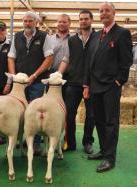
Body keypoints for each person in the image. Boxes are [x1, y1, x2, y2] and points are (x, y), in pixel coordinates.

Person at [83, 2, 133, 172]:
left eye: (107, 10)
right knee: (100, 120)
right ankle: (104, 150)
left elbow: (126, 61)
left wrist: (119, 81)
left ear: (114, 13)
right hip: (95, 86)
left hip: (111, 86)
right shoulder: (97, 36)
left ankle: (110, 158)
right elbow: (90, 62)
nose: (103, 13)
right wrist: (87, 84)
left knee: (111, 122)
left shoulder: (122, 33)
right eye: (101, 11)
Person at [8, 11, 54, 155]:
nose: (27, 24)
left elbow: (49, 58)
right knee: (18, 110)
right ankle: (20, 138)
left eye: (30, 21)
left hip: (37, 81)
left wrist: (34, 75)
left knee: (35, 111)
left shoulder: (44, 37)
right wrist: (15, 77)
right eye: (25, 21)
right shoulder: (17, 37)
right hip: (20, 82)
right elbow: (11, 57)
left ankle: (35, 143)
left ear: (36, 23)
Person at [58, 10, 96, 154]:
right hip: (73, 82)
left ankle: (87, 142)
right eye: (81, 19)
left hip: (91, 83)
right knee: (69, 113)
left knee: (91, 114)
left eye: (86, 19)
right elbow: (66, 59)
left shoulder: (98, 37)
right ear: (78, 21)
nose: (83, 21)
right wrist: (58, 74)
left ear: (91, 20)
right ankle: (70, 142)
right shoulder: (72, 40)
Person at [50, 14, 70, 98]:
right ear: (56, 23)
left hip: (68, 77)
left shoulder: (74, 39)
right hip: (52, 76)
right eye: (59, 22)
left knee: (67, 102)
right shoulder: (50, 39)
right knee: (51, 101)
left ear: (69, 23)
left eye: (64, 22)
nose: (61, 24)